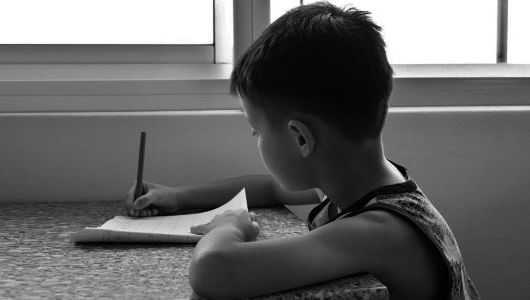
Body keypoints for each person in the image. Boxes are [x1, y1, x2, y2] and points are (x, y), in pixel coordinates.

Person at [124, 2, 479, 299]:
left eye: (256, 131)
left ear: (301, 139)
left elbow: (215, 272)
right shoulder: (355, 182)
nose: (256, 139)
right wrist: (177, 196)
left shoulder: (378, 232)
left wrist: (228, 227)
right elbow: (269, 188)